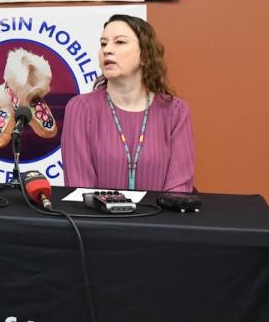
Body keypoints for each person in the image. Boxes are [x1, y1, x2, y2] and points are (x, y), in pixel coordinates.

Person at [61, 14, 194, 192]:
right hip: (97, 219)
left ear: (145, 55)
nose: (107, 50)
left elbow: (179, 190)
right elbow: (81, 190)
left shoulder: (175, 111)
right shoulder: (80, 109)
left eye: (120, 42)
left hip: (161, 219)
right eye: (103, 43)